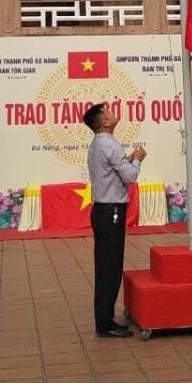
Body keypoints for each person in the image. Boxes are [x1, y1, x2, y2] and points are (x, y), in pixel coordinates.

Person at [83, 104, 146, 338]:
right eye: (108, 112)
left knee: (104, 267)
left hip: (102, 210)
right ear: (104, 123)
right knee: (110, 267)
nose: (112, 113)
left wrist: (128, 158)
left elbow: (114, 171)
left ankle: (104, 318)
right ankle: (105, 323)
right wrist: (138, 159)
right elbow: (130, 176)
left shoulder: (98, 144)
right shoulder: (110, 144)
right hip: (112, 212)